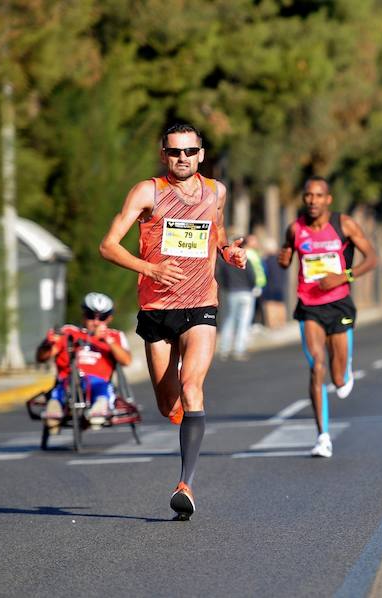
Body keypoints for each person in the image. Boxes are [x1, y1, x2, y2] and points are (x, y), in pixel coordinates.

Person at [99, 123, 247, 521]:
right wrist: (151, 268)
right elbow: (108, 246)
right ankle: (180, 410)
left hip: (201, 303)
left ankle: (185, 483)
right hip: (157, 309)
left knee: (191, 386)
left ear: (201, 154)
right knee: (168, 404)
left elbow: (216, 231)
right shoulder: (148, 191)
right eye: (175, 152)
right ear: (164, 155)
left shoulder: (217, 191)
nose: (183, 158)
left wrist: (228, 251)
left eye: (190, 151)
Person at [278, 176, 377, 458]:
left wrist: (343, 276)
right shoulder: (294, 229)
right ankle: (323, 436)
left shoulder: (343, 224)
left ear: (328, 200)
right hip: (309, 306)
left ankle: (344, 373)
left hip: (339, 303)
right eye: (308, 196)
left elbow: (372, 258)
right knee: (317, 365)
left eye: (318, 196)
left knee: (338, 378)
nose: (312, 201)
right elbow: (286, 261)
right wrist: (283, 262)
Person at [36, 292, 132, 432]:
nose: (96, 322)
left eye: (102, 317)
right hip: (69, 380)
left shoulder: (114, 336)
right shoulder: (68, 332)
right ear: (84, 315)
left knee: (103, 389)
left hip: (99, 382)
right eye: (91, 315)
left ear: (109, 318)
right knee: (59, 390)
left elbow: (126, 361)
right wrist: (48, 344)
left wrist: (108, 341)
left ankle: (100, 408)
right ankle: (54, 409)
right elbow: (43, 357)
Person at [216, 236, 257, 360]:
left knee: (229, 320)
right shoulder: (245, 260)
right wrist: (252, 286)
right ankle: (239, 349)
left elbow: (221, 277)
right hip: (246, 292)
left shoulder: (226, 262)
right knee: (244, 322)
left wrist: (227, 288)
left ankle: (224, 348)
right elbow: (252, 276)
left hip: (232, 292)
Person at [260, 237, 289, 329]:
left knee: (270, 305)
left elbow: (263, 273)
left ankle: (272, 325)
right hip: (280, 285)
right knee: (280, 304)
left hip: (269, 285)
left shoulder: (265, 260)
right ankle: (282, 323)